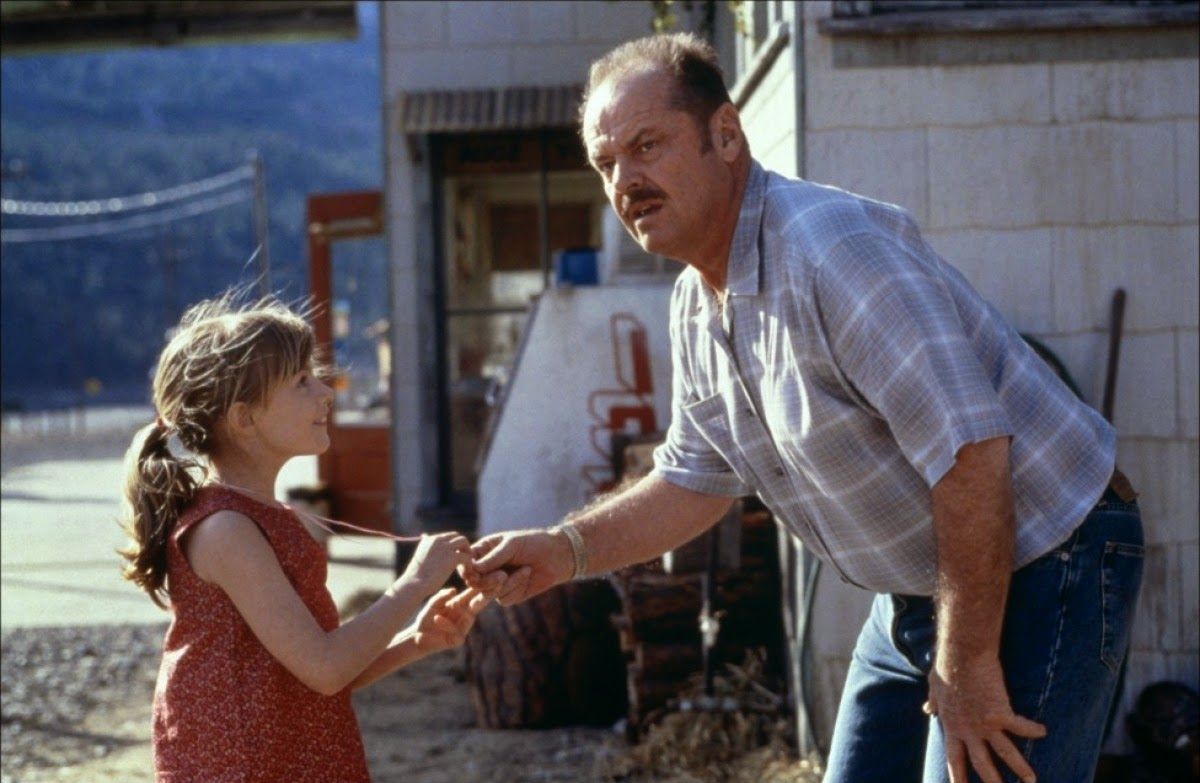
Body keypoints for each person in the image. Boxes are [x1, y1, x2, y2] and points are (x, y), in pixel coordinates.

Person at [466, 32, 1144, 783]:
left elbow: (974, 453)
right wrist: (563, 550)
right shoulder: (697, 300)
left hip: (1052, 553)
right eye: (606, 163)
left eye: (648, 145)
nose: (626, 179)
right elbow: (696, 480)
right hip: (927, 586)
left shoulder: (831, 251)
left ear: (725, 135)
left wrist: (970, 665)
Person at [119, 292, 488, 782]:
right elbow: (324, 666)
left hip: (289, 758)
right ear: (245, 419)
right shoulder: (226, 530)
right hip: (245, 769)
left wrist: (415, 642)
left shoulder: (267, 516)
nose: (326, 392)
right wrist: (414, 583)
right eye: (301, 382)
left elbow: (312, 675)